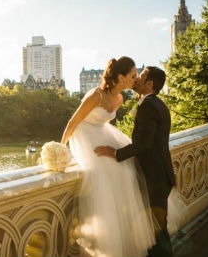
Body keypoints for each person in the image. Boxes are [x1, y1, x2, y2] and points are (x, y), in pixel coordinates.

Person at [61, 57, 156, 257]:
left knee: (127, 169)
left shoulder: (120, 99)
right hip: (85, 136)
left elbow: (105, 123)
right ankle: (105, 243)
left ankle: (124, 235)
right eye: (132, 75)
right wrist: (60, 149)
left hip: (102, 133)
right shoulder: (96, 96)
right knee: (104, 174)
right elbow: (73, 122)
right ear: (120, 77)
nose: (136, 79)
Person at [95, 66, 181, 256]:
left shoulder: (149, 105)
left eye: (140, 77)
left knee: (156, 231)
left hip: (155, 177)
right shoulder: (156, 103)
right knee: (155, 228)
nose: (136, 80)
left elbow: (144, 144)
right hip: (158, 174)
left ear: (149, 83)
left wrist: (116, 153)